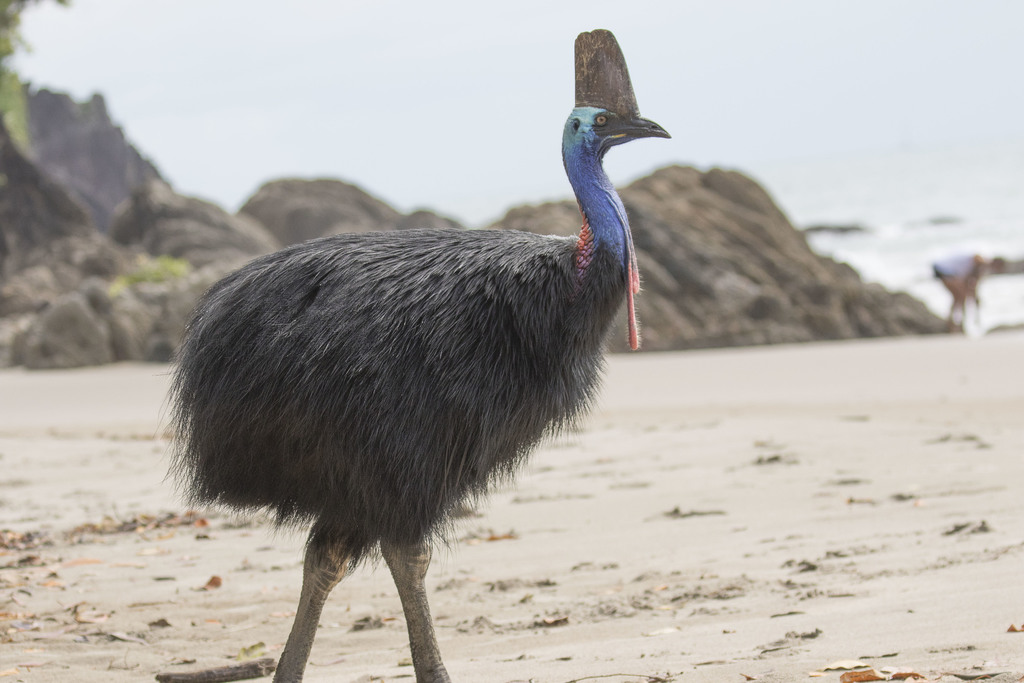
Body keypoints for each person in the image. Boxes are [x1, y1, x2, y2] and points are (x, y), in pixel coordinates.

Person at [932, 253, 1006, 333]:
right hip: (945, 270)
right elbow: (970, 282)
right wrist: (974, 296)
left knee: (958, 297)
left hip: (945, 270)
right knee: (961, 296)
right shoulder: (980, 262)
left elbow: (970, 283)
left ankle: (954, 324)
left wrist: (974, 295)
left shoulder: (982, 266)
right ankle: (957, 325)